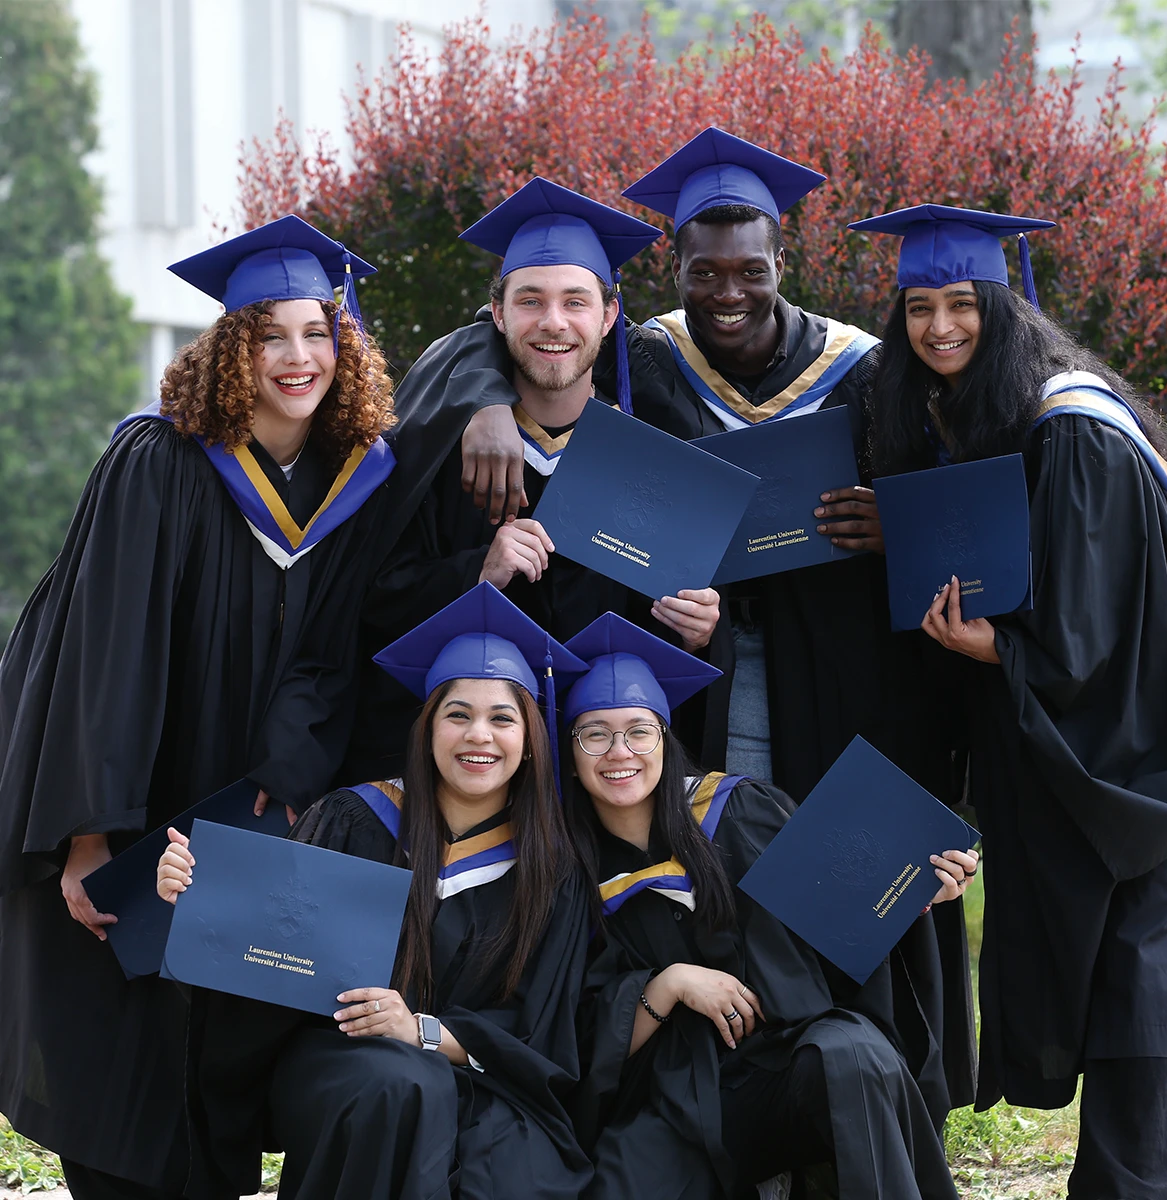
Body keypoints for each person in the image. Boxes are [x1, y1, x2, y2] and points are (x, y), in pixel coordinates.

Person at [404, 131, 977, 1115]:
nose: (727, 291)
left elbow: (968, 481)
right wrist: (485, 399)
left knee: (836, 863)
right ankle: (735, 1083)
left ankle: (868, 1087)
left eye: (750, 270)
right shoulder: (651, 362)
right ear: (672, 272)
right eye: (704, 270)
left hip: (838, 671)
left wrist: (900, 524)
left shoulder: (867, 367)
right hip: (685, 675)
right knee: (715, 873)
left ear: (782, 265)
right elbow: (503, 339)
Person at [0, 215, 404, 1199]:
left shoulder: (352, 478)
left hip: (247, 814)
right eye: (272, 336)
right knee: (128, 1073)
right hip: (142, 802)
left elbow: (331, 655)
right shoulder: (160, 461)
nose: (298, 358)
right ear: (232, 346)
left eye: (317, 334)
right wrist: (90, 837)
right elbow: (105, 654)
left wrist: (289, 777)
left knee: (215, 1066)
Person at [853, 202, 1167, 1199]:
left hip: (1132, 748)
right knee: (1114, 976)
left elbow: (1095, 620)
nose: (940, 326)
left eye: (963, 303)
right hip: (1088, 746)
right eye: (920, 307)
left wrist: (997, 645)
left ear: (1005, 308)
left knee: (1134, 973)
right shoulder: (985, 418)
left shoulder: (1074, 429)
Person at [156, 582, 594, 1200]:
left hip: (480, 1075)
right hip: (342, 1063)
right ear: (428, 728)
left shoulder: (552, 869)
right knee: (402, 1085)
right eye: (458, 714)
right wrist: (198, 901)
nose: (479, 736)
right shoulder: (356, 818)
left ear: (529, 743)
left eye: (503, 718)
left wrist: (423, 1031)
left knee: (512, 1159)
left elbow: (544, 1030)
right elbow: (267, 954)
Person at [560, 613, 975, 1199]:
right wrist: (668, 984)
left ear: (665, 737)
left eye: (638, 730)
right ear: (570, 751)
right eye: (594, 734)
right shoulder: (562, 869)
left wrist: (910, 894)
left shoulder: (740, 811)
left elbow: (832, 921)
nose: (617, 751)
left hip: (782, 1066)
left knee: (853, 1055)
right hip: (667, 1098)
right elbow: (565, 1036)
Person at [344, 178, 721, 784]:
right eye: (529, 301)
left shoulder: (652, 457)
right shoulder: (437, 450)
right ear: (496, 313)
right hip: (466, 772)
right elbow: (374, 601)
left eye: (575, 301)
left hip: (600, 774)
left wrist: (699, 632)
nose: (553, 322)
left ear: (609, 316)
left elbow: (662, 633)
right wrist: (479, 572)